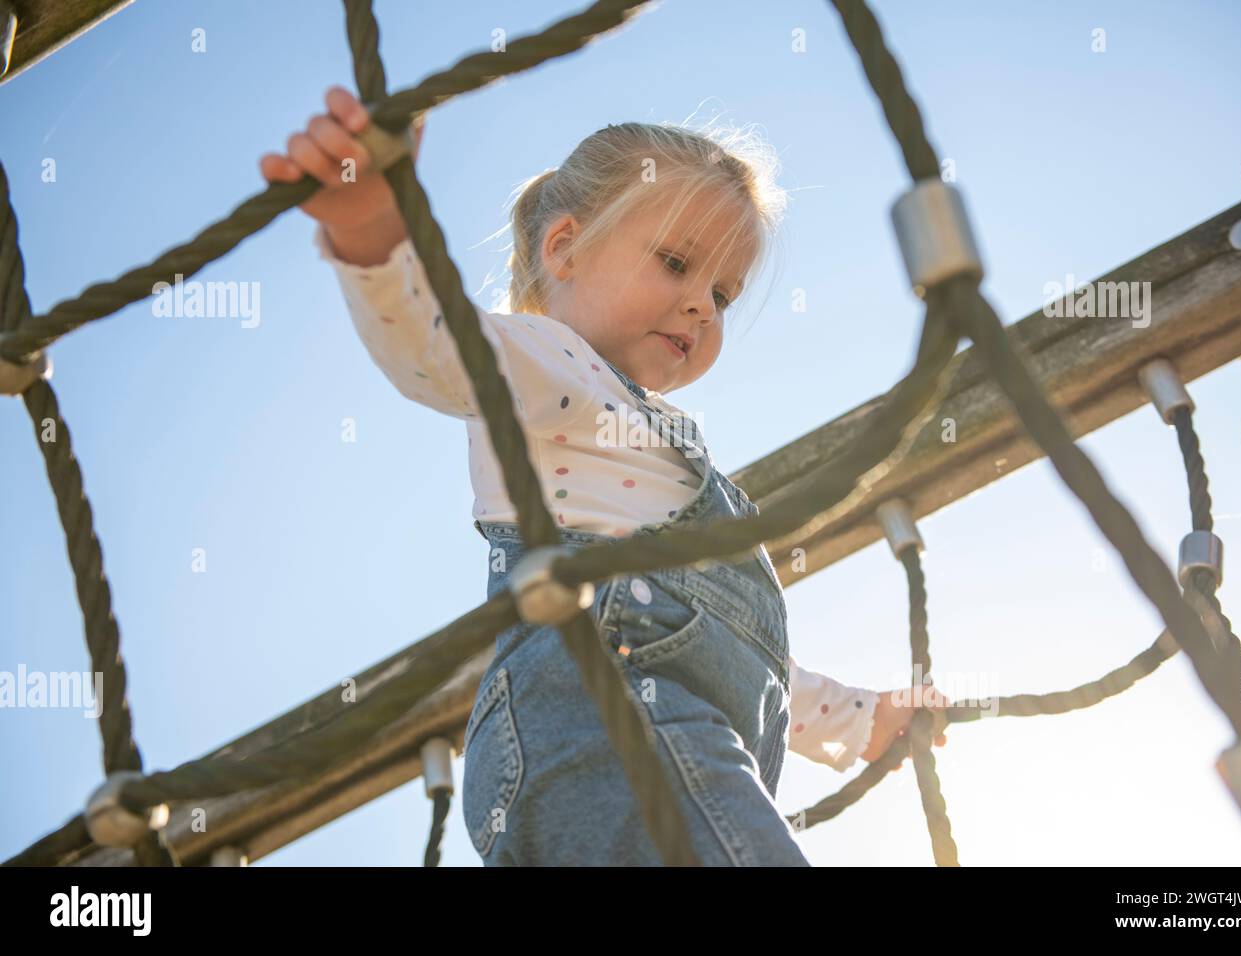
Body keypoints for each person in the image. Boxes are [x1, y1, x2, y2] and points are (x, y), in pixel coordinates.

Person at [260, 87, 949, 865]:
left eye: (722, 294)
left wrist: (860, 718)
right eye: (676, 264)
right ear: (565, 249)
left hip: (650, 735)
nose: (700, 308)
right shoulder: (551, 363)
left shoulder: (656, 450)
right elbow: (437, 350)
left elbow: (747, 667)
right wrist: (374, 239)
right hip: (597, 715)